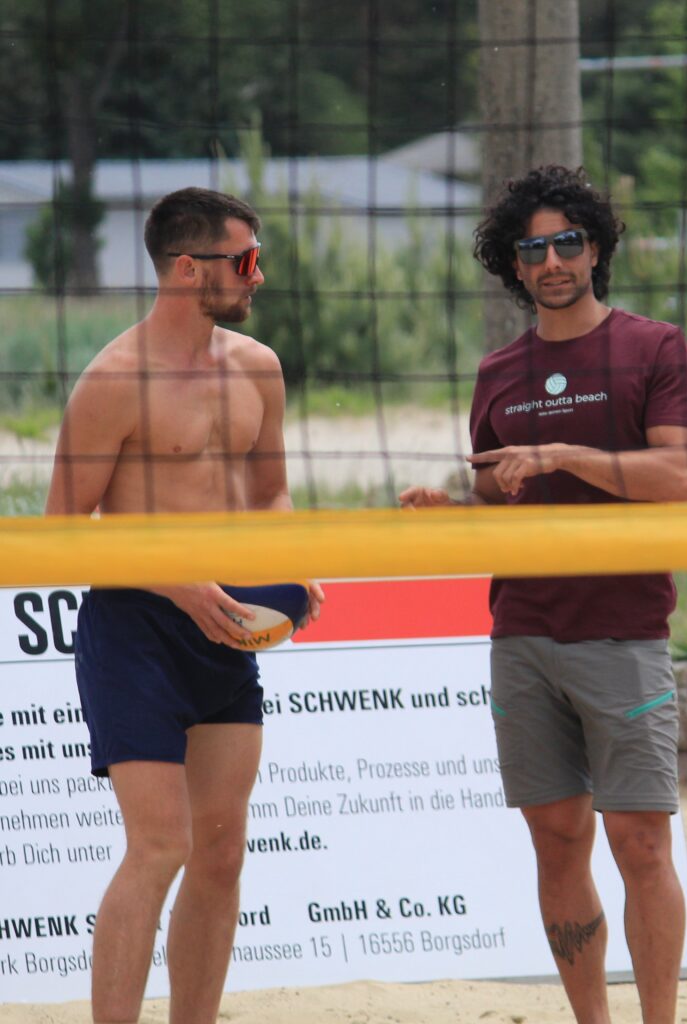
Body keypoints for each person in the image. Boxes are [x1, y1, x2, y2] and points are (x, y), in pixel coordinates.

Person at [400, 165, 687, 1024]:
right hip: (524, 631)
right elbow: (504, 492)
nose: (552, 259)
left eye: (567, 241)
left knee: (640, 843)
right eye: (532, 248)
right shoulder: (499, 369)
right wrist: (454, 508)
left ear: (596, 247)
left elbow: (675, 476)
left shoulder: (655, 346)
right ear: (515, 265)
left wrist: (567, 453)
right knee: (557, 843)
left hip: (624, 629)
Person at [46, 186, 323, 1024]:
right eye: (244, 259)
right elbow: (62, 535)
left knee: (221, 854)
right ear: (185, 268)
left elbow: (271, 492)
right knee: (159, 845)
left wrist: (294, 560)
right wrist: (175, 581)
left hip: (228, 624)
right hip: (136, 628)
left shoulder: (258, 367)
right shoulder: (113, 380)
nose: (259, 274)